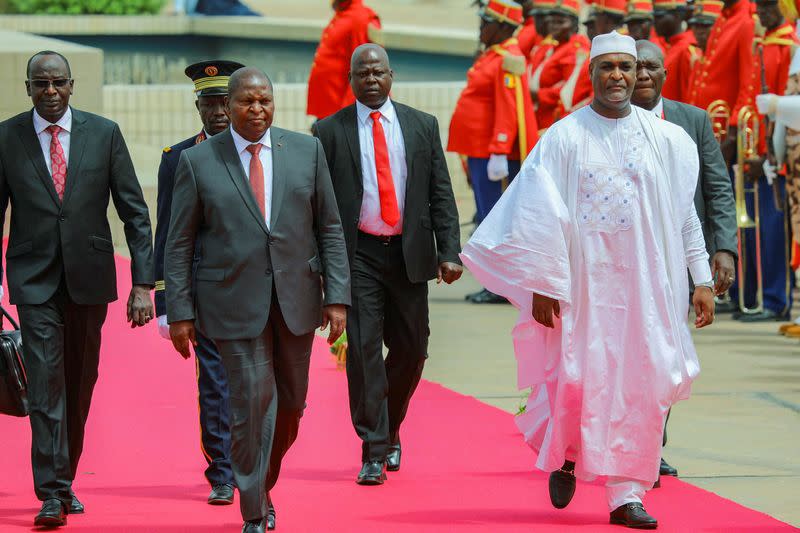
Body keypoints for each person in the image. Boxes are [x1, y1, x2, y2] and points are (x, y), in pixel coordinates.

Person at [461, 31, 715, 529]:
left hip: (647, 290)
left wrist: (700, 275)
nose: (619, 76)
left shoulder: (667, 140)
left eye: (627, 66)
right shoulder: (564, 138)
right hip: (580, 290)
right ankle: (569, 454)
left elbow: (684, 214)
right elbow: (536, 217)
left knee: (645, 383)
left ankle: (627, 494)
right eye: (608, 67)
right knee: (576, 381)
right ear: (593, 74)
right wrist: (541, 283)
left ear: (638, 72)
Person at [165, 67, 350, 533]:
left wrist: (338, 296)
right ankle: (253, 509)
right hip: (230, 303)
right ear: (227, 107)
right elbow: (179, 242)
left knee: (290, 406)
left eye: (264, 101)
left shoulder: (306, 151)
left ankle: (261, 483)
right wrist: (180, 311)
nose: (257, 110)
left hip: (297, 300)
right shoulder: (199, 161)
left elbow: (328, 226)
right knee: (249, 402)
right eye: (247, 102)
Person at [0, 50, 154, 527]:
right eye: (40, 84)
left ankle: (64, 477)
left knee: (79, 384)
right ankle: (52, 491)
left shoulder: (103, 134)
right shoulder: (7, 137)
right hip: (33, 279)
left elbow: (134, 211)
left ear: (72, 85)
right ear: (27, 87)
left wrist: (144, 284)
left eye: (58, 83)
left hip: (89, 279)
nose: (50, 91)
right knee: (45, 383)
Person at [315, 44, 463, 485]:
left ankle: (391, 424)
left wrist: (449, 251)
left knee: (412, 349)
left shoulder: (421, 125)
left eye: (379, 72)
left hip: (409, 254)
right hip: (357, 253)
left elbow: (441, 191)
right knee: (361, 353)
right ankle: (374, 448)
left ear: (391, 76)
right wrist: (323, 267)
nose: (372, 79)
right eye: (363, 73)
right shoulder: (328, 131)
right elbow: (319, 204)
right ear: (351, 80)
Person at [632, 39, 737, 479]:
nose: (640, 76)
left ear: (664, 74)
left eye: (650, 68)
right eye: (633, 67)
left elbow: (717, 187)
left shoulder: (691, 122)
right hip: (620, 261)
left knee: (665, 356)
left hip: (676, 261)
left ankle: (650, 445)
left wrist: (724, 249)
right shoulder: (595, 121)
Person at [153, 59, 244, 506]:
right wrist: (167, 302)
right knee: (214, 384)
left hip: (253, 288)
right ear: (198, 107)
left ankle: (253, 460)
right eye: (210, 101)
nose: (219, 110)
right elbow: (168, 232)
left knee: (257, 383)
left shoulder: (264, 152)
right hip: (205, 291)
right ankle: (223, 472)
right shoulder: (180, 159)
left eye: (225, 100)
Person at [448, 0, 538, 304]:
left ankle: (501, 285)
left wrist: (500, 149)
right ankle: (496, 282)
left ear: (502, 26)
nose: (481, 27)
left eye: (486, 22)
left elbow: (508, 109)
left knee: (496, 222)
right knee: (489, 219)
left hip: (493, 155)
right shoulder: (494, 55)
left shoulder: (507, 58)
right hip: (481, 152)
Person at [730, 0, 799, 322]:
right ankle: (755, 296)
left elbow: (786, 102)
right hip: (753, 149)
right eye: (760, 5)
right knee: (755, 231)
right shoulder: (763, 44)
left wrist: (771, 153)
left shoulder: (788, 46)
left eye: (771, 5)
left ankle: (776, 300)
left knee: (774, 232)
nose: (763, 11)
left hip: (772, 154)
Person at [687, 0, 755, 163]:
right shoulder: (723, 18)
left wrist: (732, 134)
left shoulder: (746, 20)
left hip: (726, 135)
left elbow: (748, 83)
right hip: (711, 130)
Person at [307, 0, 382, 122]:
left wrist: (347, 114)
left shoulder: (359, 18)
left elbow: (364, 71)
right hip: (329, 107)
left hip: (341, 111)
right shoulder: (344, 12)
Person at [528, 0, 592, 130]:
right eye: (551, 21)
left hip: (555, 119)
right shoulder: (551, 46)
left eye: (560, 22)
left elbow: (569, 90)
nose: (553, 26)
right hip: (539, 115)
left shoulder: (577, 49)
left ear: (574, 24)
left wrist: (537, 95)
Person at [653, 0, 701, 102]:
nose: (655, 22)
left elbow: (689, 97)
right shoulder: (671, 46)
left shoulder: (686, 49)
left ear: (677, 16)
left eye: (660, 17)